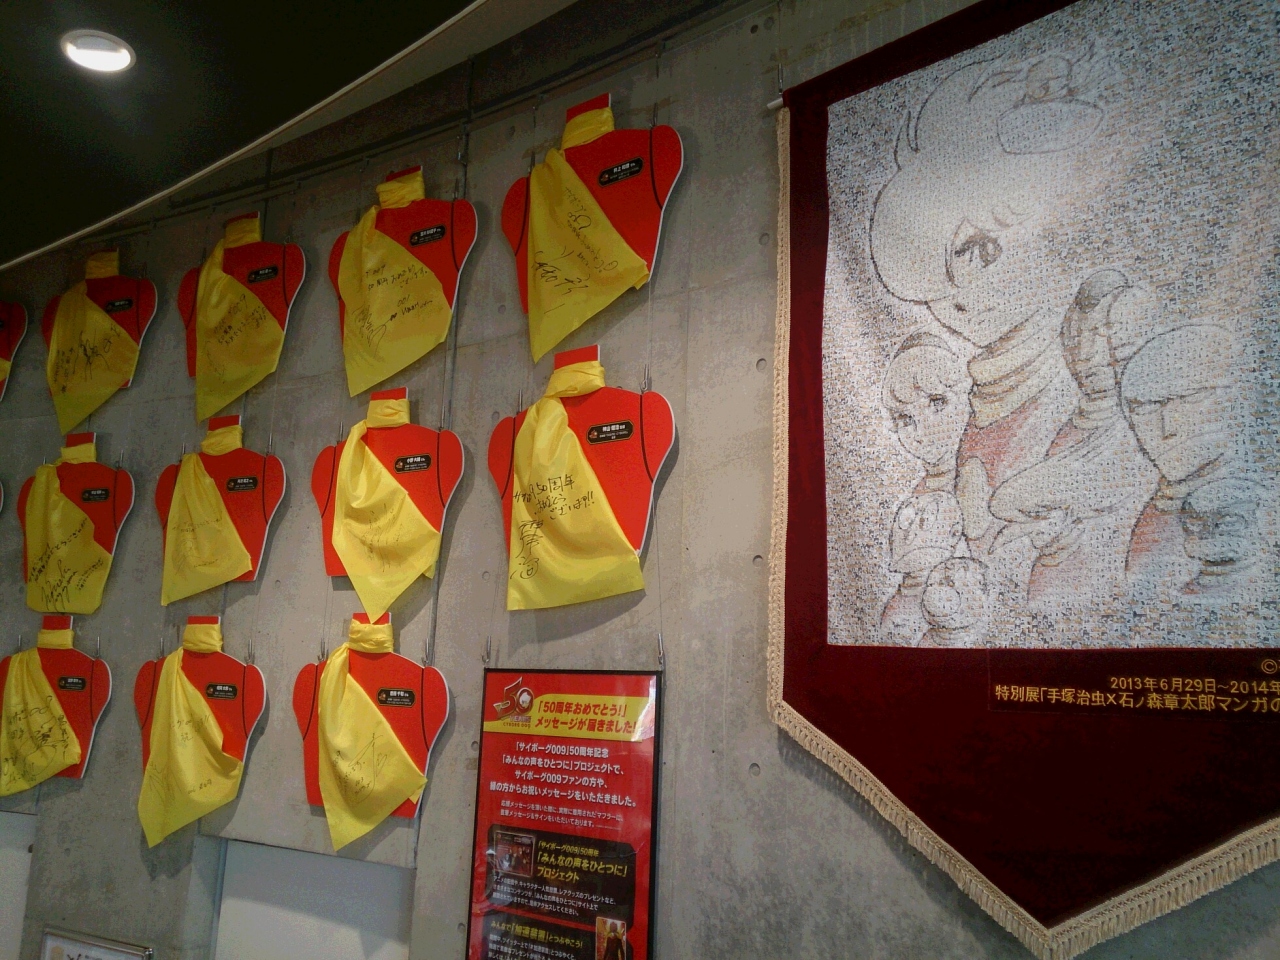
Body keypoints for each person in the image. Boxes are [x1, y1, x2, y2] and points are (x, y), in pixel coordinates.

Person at [869, 52, 1110, 571]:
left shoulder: (1094, 336)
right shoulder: (979, 422)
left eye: (982, 248)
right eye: (937, 297)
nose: (964, 301)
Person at [987, 271, 1158, 603]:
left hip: (1096, 585)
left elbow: (1010, 500)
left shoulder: (1131, 429)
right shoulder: (1065, 418)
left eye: (1103, 335)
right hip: (1054, 579)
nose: (1089, 353)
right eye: (1078, 334)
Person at [1120, 323, 1245, 591]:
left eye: (1192, 398)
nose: (1167, 427)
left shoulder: (1249, 504)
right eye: (1144, 408)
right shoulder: (1154, 514)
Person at [881, 333, 970, 493]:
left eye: (938, 404)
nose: (921, 433)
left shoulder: (987, 466)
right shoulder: (920, 494)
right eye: (906, 419)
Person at [881, 493, 964, 643]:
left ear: (954, 534)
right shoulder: (896, 606)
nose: (910, 533)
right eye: (906, 520)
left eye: (926, 520)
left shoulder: (950, 601)